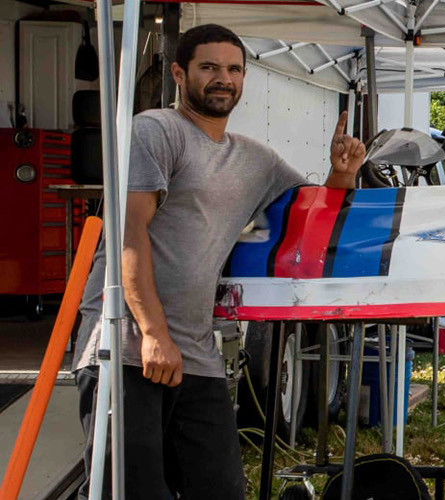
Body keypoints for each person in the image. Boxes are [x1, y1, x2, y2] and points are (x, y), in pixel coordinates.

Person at [72, 23, 367, 499]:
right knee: (129, 491)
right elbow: (129, 235)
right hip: (126, 344)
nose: (222, 78)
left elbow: (315, 213)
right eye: (208, 67)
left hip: (195, 353)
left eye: (233, 69)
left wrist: (341, 172)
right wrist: (153, 334)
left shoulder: (256, 160)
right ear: (178, 73)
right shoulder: (154, 131)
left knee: (221, 489)